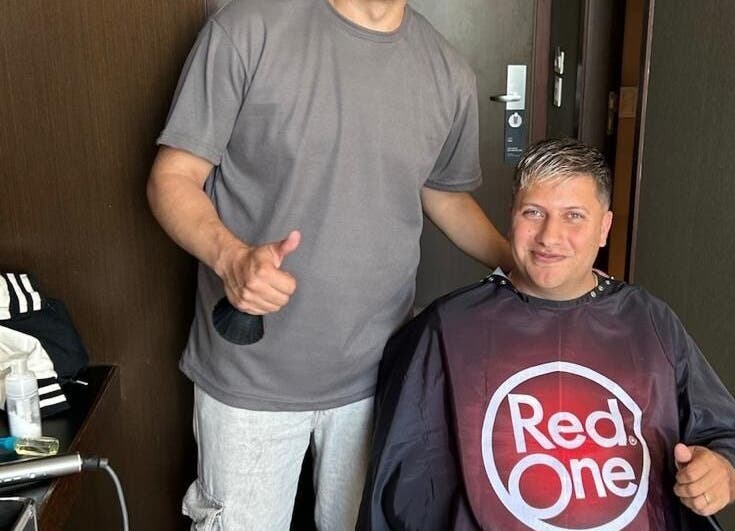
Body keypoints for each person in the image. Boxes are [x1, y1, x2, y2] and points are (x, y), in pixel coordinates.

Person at [146, 0, 511, 529]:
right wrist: (232, 258)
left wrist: (517, 264)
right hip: (253, 373)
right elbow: (172, 177)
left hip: (378, 373)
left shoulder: (447, 71)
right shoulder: (248, 29)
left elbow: (443, 194)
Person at [359, 138, 735, 530]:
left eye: (574, 216)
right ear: (511, 216)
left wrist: (723, 470)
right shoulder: (447, 328)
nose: (550, 237)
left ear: (604, 228)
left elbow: (731, 435)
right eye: (533, 212)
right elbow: (405, 483)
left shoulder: (648, 321)